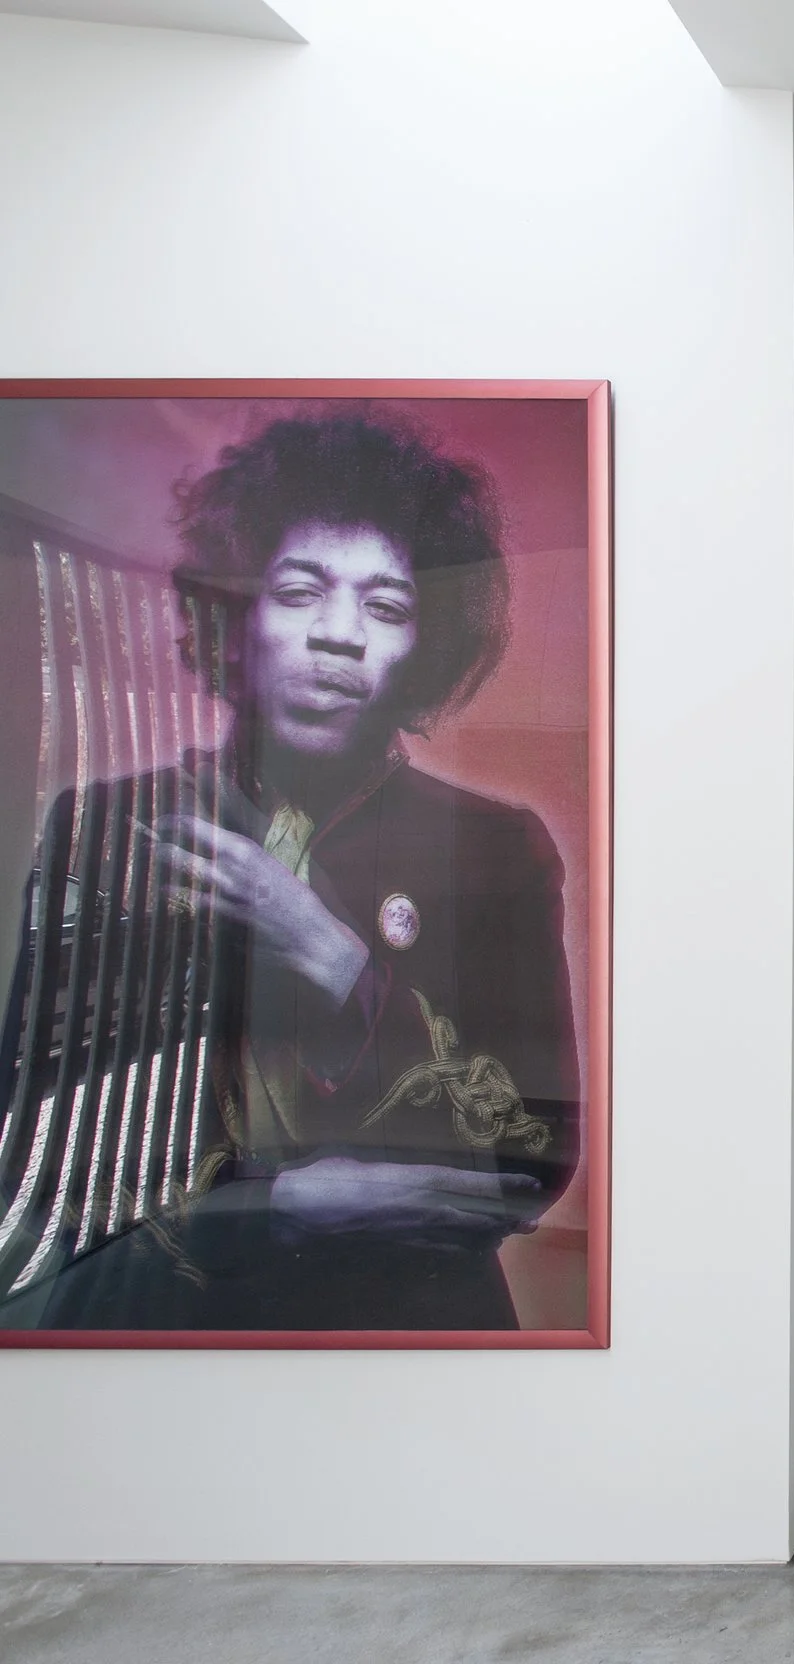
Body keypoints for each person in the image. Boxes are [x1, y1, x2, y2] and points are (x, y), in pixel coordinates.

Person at [0, 411, 578, 1329]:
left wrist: (337, 961)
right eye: (302, 591)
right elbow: (35, 1146)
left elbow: (532, 1160)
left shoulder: (497, 846)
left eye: (386, 606)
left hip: (417, 1331)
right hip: (149, 1330)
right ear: (238, 614)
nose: (339, 635)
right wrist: (275, 1208)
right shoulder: (111, 822)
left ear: (422, 645)